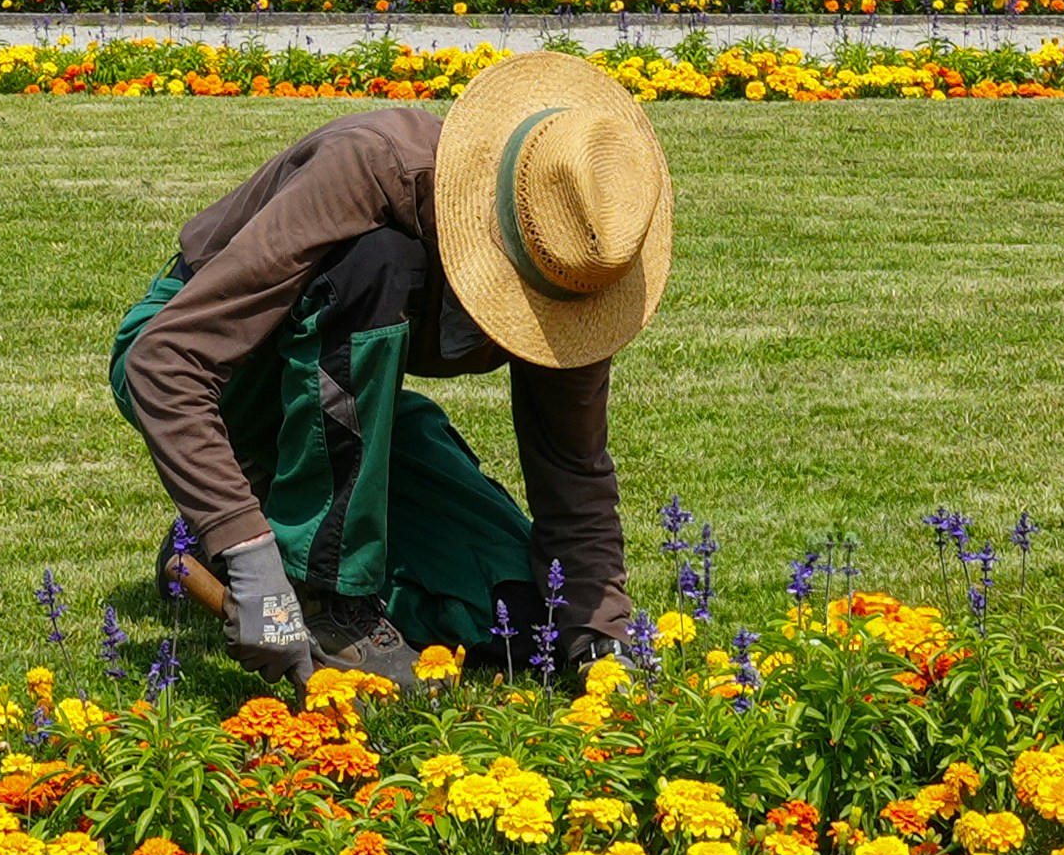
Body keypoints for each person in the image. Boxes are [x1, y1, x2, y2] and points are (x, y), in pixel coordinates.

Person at [109, 50, 671, 687]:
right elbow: (165, 362)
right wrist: (254, 565)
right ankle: (325, 597)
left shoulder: (580, 261)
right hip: (224, 374)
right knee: (374, 260)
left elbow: (571, 466)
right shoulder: (370, 169)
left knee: (520, 615)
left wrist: (602, 638)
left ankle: (202, 548)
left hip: (345, 418)